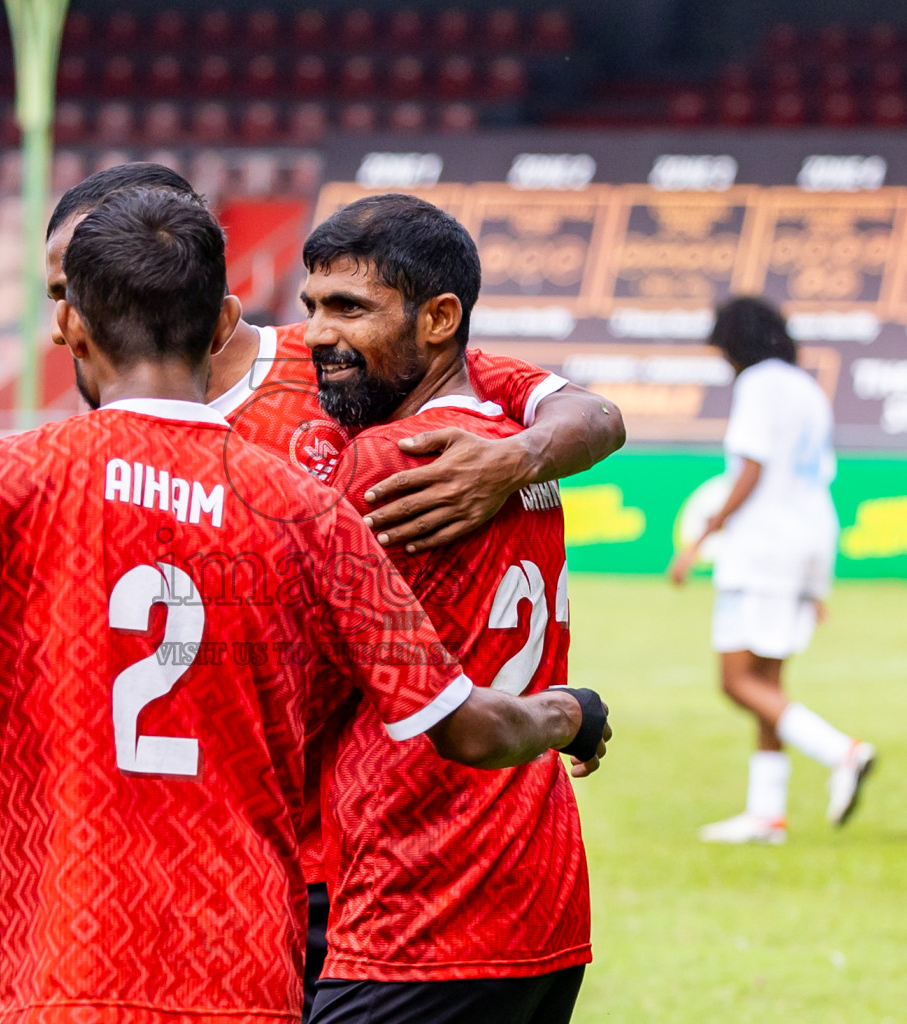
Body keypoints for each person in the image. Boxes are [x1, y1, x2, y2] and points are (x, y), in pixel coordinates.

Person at [0, 188, 609, 1022]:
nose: (325, 332)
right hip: (259, 952)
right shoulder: (305, 503)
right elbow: (465, 722)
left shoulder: (6, 479)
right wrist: (573, 711)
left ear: (75, 326)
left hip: (78, 953)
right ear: (219, 324)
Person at [42, 164, 625, 1016]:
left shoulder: (354, 384)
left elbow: (592, 415)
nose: (67, 320)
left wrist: (519, 459)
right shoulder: (113, 438)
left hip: (382, 864)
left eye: (93, 282)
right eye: (62, 289)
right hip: (325, 851)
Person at [300, 195, 594, 1024]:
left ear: (439, 319)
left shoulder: (393, 458)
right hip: (537, 893)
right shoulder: (509, 450)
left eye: (349, 309)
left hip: (420, 896)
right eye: (313, 308)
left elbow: (291, 681)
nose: (321, 335)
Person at [669, 295, 876, 845]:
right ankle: (767, 814)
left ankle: (843, 752)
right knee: (769, 682)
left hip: (764, 547)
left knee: (735, 681)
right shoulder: (806, 388)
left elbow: (752, 468)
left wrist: (701, 540)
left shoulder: (759, 384)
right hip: (807, 541)